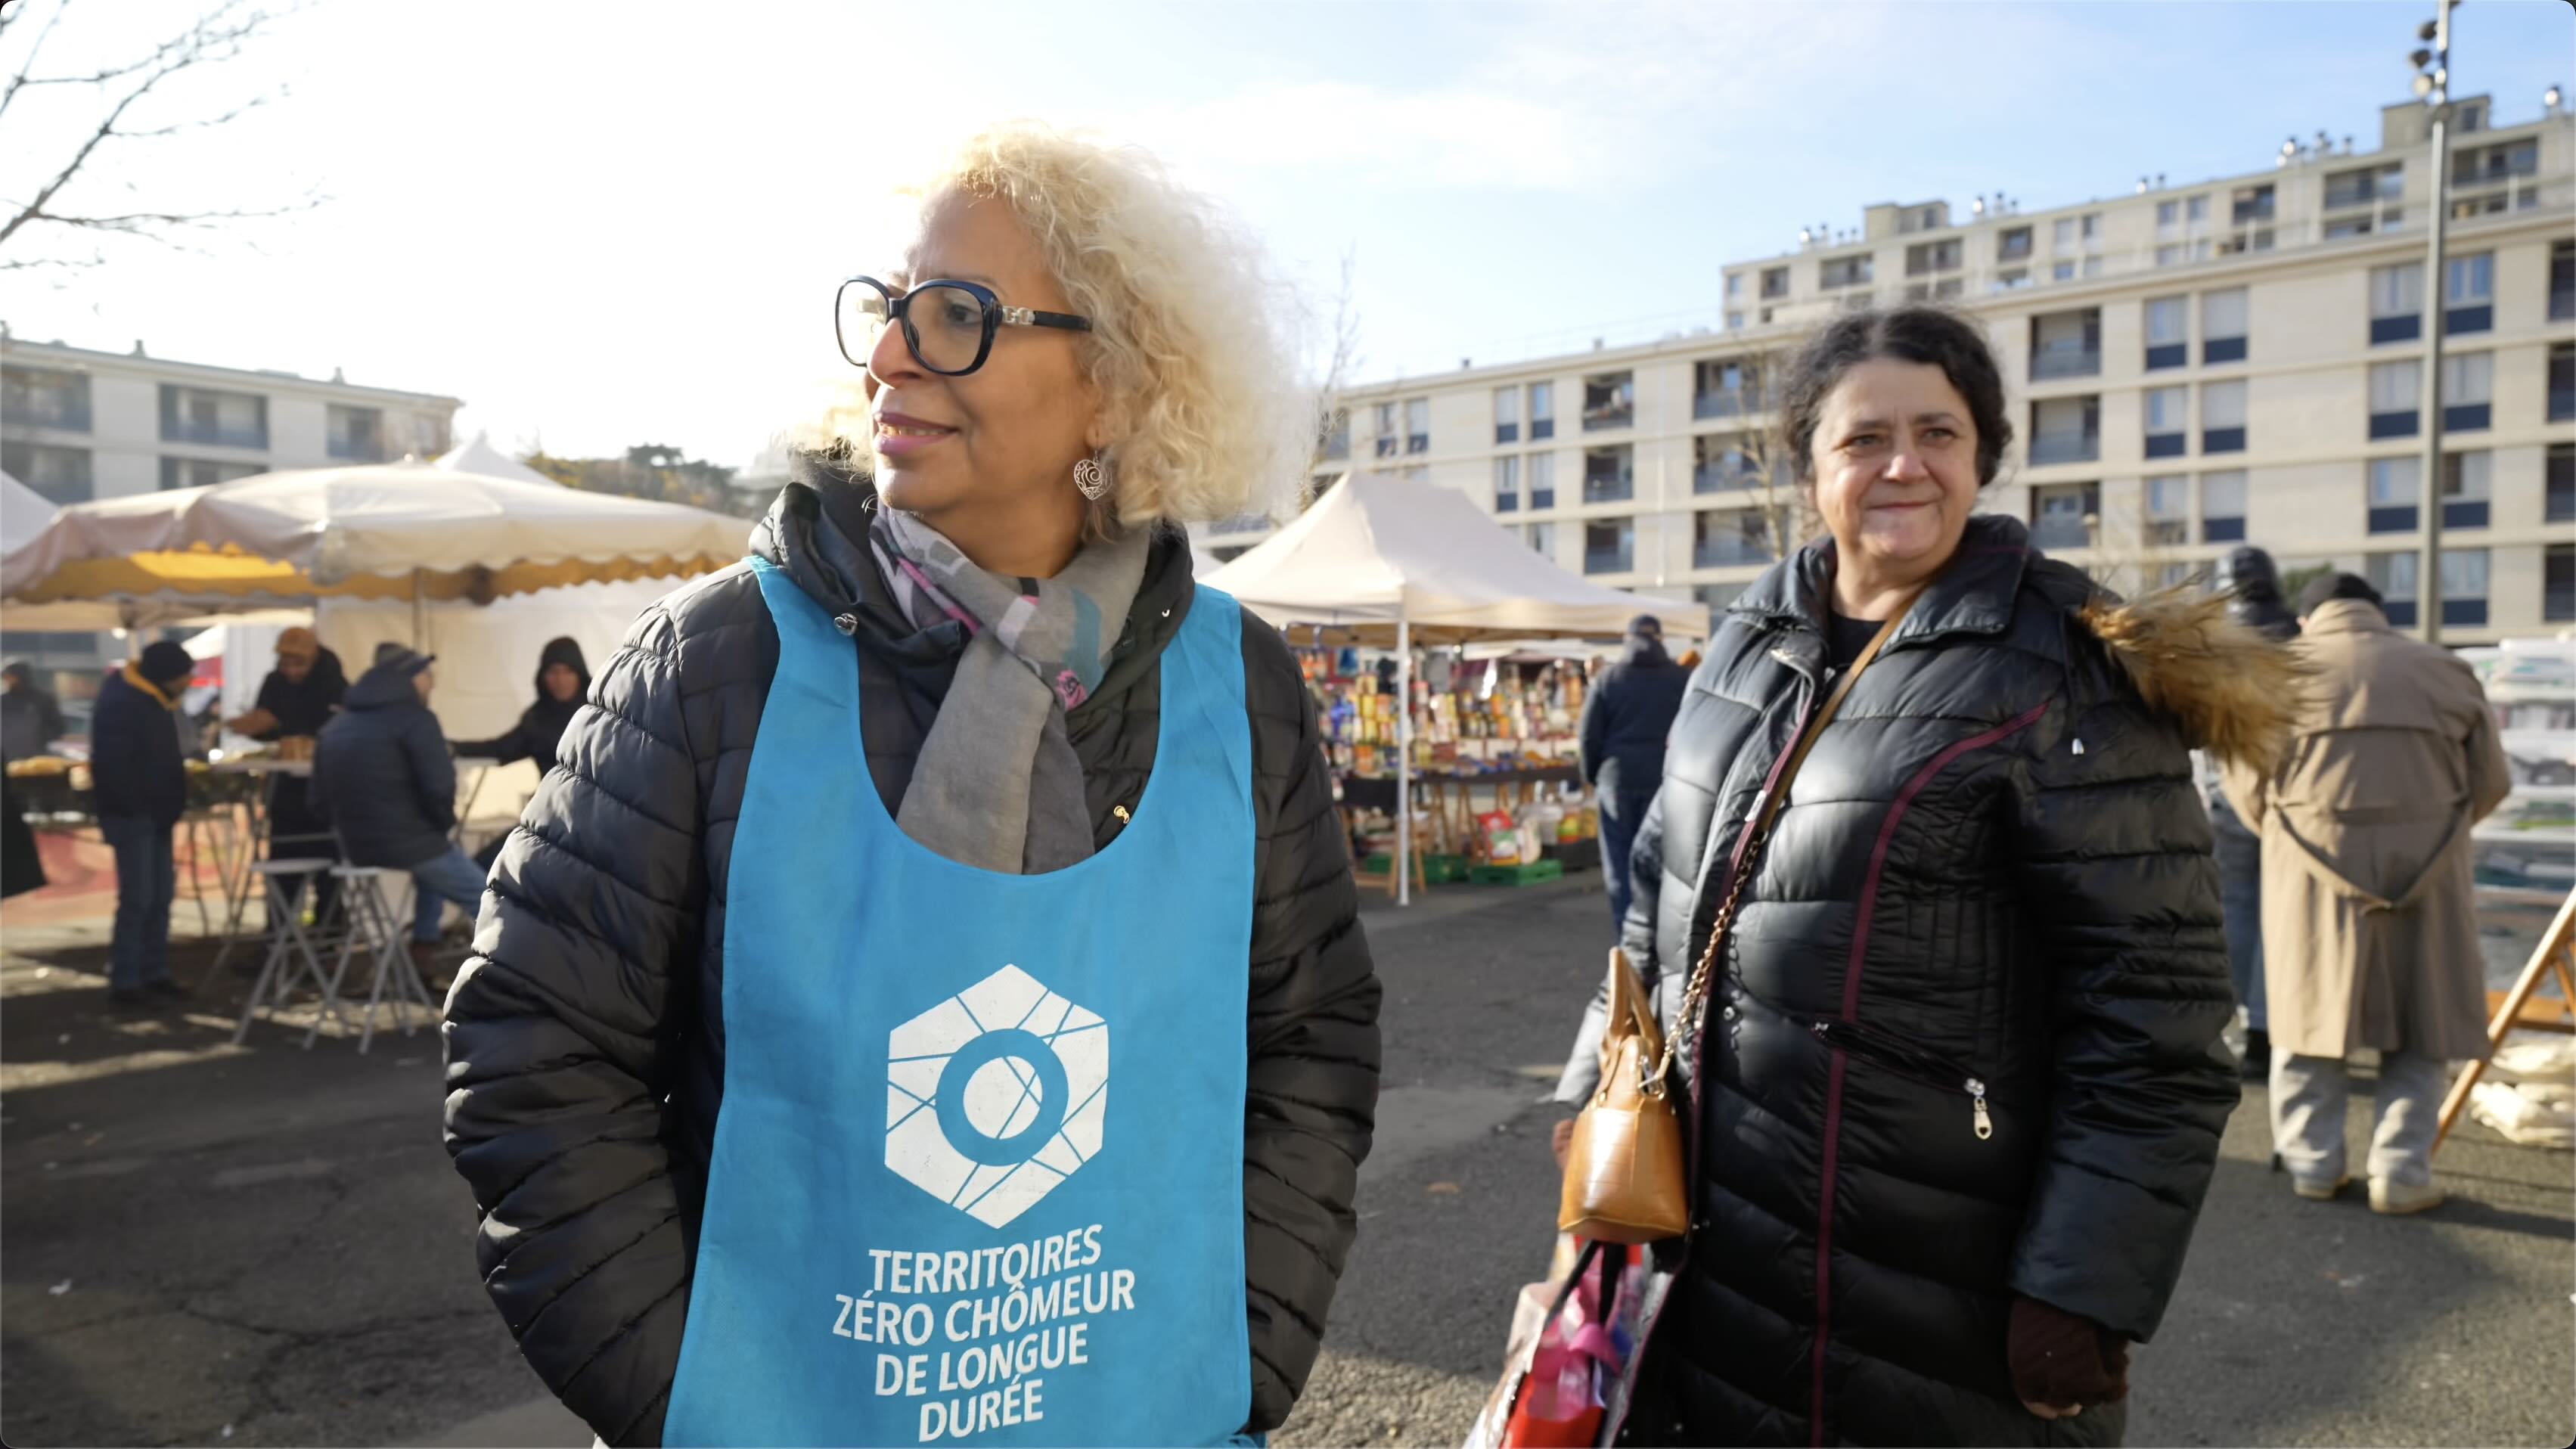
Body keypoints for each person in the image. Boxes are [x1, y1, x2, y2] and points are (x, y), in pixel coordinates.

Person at [442, 125, 1382, 1447]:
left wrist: (1245, 1351)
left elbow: (1307, 1036)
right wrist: (705, 1404)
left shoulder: (1239, 683)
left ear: (1116, 387)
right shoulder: (718, 661)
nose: (888, 353)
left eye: (956, 315)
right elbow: (538, 1050)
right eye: (888, 308)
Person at [1553, 306, 2290, 1446]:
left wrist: (2086, 1283)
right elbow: (1656, 901)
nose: (1902, 465)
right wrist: (1587, 1098)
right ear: (1808, 467)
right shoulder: (1746, 641)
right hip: (1710, 1256)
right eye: (1863, 439)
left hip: (1940, 1291)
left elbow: (2157, 1015)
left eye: (1936, 433)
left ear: (1980, 457)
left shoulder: (2059, 668)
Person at [2224, 572, 2512, 1217]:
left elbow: (2246, 793)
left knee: (2310, 1016)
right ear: (2378, 613)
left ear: (2307, 621)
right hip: (2428, 871)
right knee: (2422, 1019)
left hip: (2313, 867)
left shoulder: (2271, 674)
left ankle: (2313, 1162)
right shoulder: (2447, 670)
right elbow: (2492, 782)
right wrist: (2431, 830)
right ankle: (2401, 1172)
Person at [310, 645, 485, 979]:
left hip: (356, 850)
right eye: (428, 676)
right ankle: (522, 980)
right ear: (411, 679)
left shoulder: (335, 726)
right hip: (409, 844)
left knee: (433, 864)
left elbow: (317, 802)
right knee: (495, 902)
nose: (432, 683)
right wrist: (441, 825)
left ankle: (424, 947)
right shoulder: (416, 720)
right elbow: (439, 788)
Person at [2211, 545, 2298, 1079]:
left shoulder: (2214, 641)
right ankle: (2273, 1028)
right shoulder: (2296, 635)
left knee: (2235, 912)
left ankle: (2242, 1029)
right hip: (2292, 794)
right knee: (2281, 916)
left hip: (2228, 790)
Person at [91, 641, 196, 1006]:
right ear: (168, 675)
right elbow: (115, 766)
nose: (188, 682)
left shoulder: (151, 700)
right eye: (184, 675)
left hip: (154, 812)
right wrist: (138, 806)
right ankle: (127, 981)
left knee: (159, 897)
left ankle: (154, 972)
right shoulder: (126, 703)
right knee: (139, 899)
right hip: (135, 814)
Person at [226, 628, 348, 925]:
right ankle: (278, 933)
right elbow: (266, 723)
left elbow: (339, 728)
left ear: (314, 658)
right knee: (283, 863)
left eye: (299, 664)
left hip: (325, 793)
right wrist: (256, 726)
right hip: (285, 793)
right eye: (286, 664)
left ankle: (329, 934)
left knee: (328, 870)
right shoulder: (274, 682)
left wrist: (284, 724)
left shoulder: (335, 685)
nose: (292, 671)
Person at [1578, 613, 1688, 928]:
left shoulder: (1608, 679)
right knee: (1663, 863)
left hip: (1616, 779)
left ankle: (1628, 941)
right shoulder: (1681, 678)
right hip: (1665, 780)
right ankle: (1661, 934)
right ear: (1661, 640)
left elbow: (1588, 737)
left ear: (1627, 640)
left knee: (1620, 865)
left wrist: (1592, 775)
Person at [448, 636, 588, 871]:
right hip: (549, 817)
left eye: (568, 671)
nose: (560, 680)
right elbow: (502, 748)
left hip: (594, 818)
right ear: (543, 676)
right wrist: (455, 748)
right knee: (487, 867)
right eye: (553, 672)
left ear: (579, 674)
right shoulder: (537, 719)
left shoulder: (599, 713)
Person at [2, 662, 68, 765]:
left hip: (35, 760)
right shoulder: (3, 701)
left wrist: (39, 737)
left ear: (21, 677)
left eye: (9, 676)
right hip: (5, 759)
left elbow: (58, 727)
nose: (6, 680)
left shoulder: (42, 700)